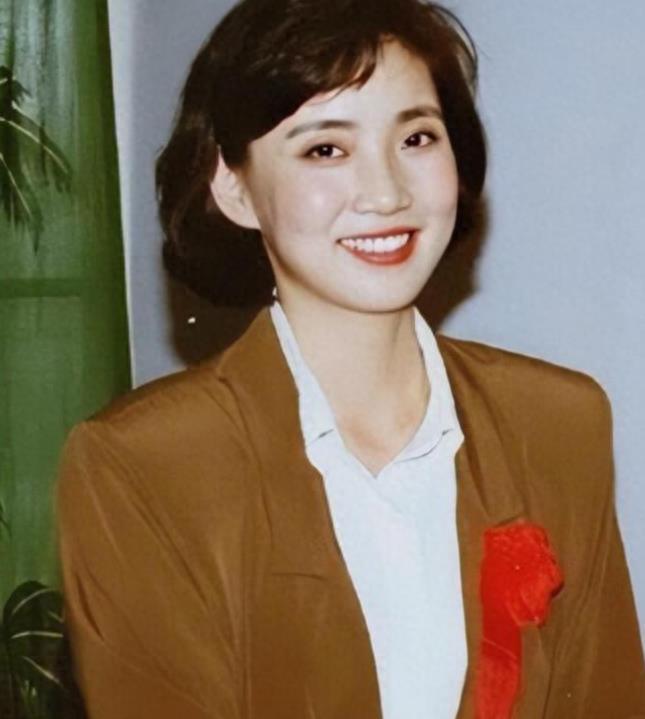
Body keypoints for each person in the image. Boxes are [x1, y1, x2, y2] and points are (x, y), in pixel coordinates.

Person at [56, 1, 645, 717]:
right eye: (326, 150)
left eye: (416, 138)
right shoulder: (141, 467)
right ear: (234, 188)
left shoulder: (559, 423)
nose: (387, 192)